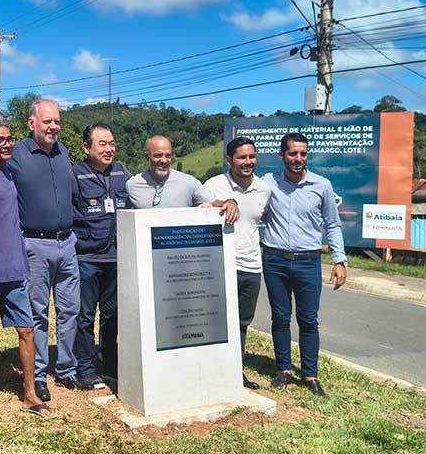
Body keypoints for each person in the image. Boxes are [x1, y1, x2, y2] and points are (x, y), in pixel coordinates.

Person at [0, 120, 55, 418]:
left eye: (9, 139)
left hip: (15, 267)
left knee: (27, 329)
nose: (7, 144)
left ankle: (30, 394)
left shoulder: (9, 172)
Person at [262, 132, 347, 398]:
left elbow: (332, 225)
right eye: (292, 153)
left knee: (309, 320)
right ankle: (283, 370)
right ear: (282, 156)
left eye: (303, 153)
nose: (298, 159)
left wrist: (339, 259)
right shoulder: (267, 183)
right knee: (280, 317)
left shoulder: (322, 185)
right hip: (274, 260)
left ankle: (310, 375)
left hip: (309, 263)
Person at [8, 99, 82, 402]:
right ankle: (37, 374)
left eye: (57, 122)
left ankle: (65, 367)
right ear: (31, 123)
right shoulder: (16, 154)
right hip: (34, 245)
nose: (53, 127)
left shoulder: (64, 152)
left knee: (70, 309)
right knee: (37, 313)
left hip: (67, 243)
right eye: (47, 121)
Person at [204, 137, 270, 389]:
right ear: (229, 160)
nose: (248, 162)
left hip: (252, 266)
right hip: (220, 266)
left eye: (252, 157)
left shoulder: (264, 188)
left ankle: (235, 373)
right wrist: (224, 202)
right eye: (242, 157)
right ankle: (210, 373)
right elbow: (200, 207)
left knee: (243, 323)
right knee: (216, 322)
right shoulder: (213, 185)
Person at [71, 123, 131, 387]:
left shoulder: (123, 173)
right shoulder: (75, 175)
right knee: (84, 315)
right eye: (102, 144)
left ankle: (110, 364)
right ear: (87, 148)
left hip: (116, 258)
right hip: (87, 259)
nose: (109, 149)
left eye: (112, 143)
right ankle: (84, 367)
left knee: (112, 314)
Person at [126, 135, 238, 222]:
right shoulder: (132, 185)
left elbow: (212, 203)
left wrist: (229, 202)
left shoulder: (189, 183)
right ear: (146, 156)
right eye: (158, 155)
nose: (164, 160)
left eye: (168, 155)